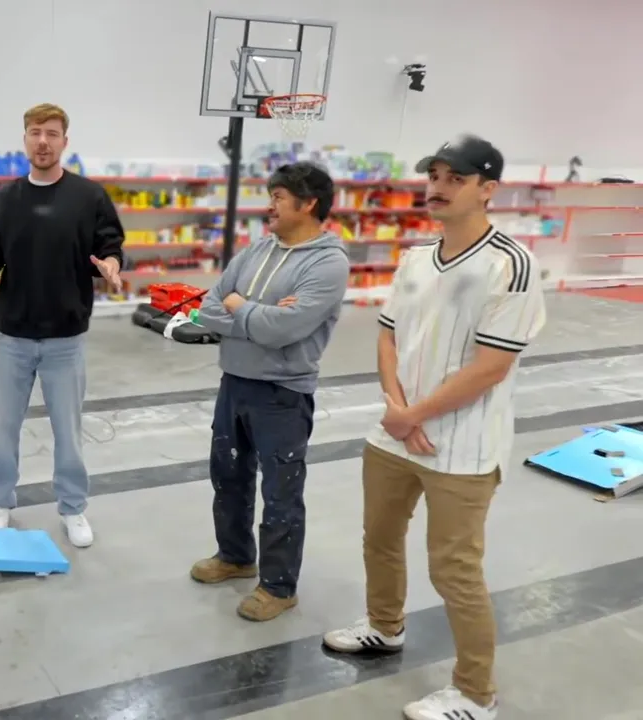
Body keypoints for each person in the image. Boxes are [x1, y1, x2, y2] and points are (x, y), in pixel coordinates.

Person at [322, 136, 544, 720]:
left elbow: (492, 366)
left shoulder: (511, 265)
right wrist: (396, 408)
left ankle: (475, 693)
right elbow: (388, 336)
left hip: (463, 446)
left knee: (454, 569)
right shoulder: (417, 258)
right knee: (379, 537)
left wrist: (412, 416)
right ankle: (384, 625)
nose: (438, 187)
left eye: (455, 178)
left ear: (487, 190)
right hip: (394, 435)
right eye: (434, 175)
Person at [0, 103, 125, 548]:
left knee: (68, 432)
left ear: (64, 141)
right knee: (4, 429)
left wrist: (110, 264)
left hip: (65, 337)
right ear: (25, 139)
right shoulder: (6, 199)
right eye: (35, 132)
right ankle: (0, 502)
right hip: (12, 335)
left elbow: (110, 245)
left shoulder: (89, 197)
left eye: (52, 133)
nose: (43, 141)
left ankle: (73, 508)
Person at [187, 162, 349, 621]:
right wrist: (257, 313)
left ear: (308, 203)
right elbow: (208, 308)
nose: (269, 206)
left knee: (281, 492)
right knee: (229, 476)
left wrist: (242, 308)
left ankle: (279, 586)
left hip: (282, 393)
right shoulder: (258, 249)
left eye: (278, 197)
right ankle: (236, 555)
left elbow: (283, 330)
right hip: (234, 382)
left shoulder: (327, 263)